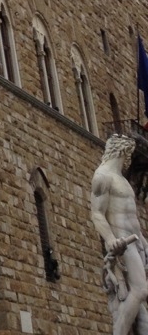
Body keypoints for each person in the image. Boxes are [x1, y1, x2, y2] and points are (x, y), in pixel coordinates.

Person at [91, 135, 148, 335]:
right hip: (123, 243)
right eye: (129, 154)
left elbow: (131, 215)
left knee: (141, 303)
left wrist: (143, 241)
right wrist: (110, 239)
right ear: (123, 152)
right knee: (140, 290)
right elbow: (97, 213)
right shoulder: (102, 176)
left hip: (137, 242)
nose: (130, 159)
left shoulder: (122, 179)